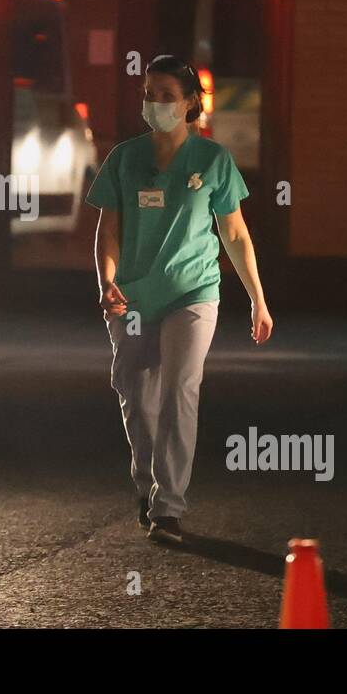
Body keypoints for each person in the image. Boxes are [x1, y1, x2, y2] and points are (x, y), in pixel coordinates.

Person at [85, 54, 273, 546]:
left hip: (193, 292)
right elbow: (109, 229)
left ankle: (168, 507)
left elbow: (235, 233)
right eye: (149, 94)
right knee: (136, 393)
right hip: (132, 296)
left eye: (167, 96)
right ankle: (146, 485)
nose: (155, 104)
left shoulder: (212, 160)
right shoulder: (124, 159)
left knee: (179, 389)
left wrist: (257, 298)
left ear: (190, 103)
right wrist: (107, 281)